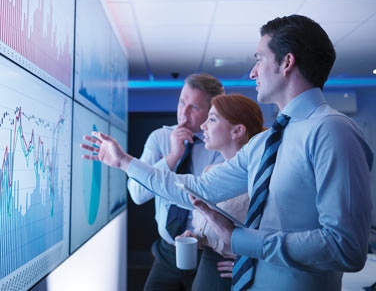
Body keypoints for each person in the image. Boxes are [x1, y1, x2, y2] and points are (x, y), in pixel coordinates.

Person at [81, 15, 374, 291]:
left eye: (259, 59)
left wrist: (244, 242)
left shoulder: (333, 131)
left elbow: (344, 248)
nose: (252, 71)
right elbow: (196, 189)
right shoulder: (264, 144)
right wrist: (124, 161)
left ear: (287, 62)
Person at [127, 73, 224, 290]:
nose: (184, 112)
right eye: (182, 102)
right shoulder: (159, 138)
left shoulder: (220, 145)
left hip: (206, 251)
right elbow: (137, 194)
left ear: (211, 111)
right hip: (167, 250)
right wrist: (171, 157)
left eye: (194, 107)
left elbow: (214, 200)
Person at [183, 93, 265, 291]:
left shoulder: (257, 180)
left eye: (212, 119)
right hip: (206, 267)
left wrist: (251, 262)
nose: (203, 126)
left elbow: (270, 235)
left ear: (237, 130)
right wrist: (195, 236)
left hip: (228, 273)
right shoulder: (210, 172)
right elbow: (211, 228)